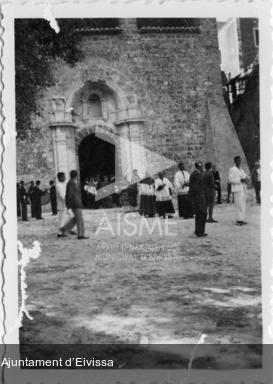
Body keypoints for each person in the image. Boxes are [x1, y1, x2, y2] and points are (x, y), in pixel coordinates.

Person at [60, 170, 88, 240]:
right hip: (75, 203)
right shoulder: (72, 183)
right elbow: (70, 194)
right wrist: (68, 203)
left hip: (74, 202)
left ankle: (64, 228)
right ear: (76, 175)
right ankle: (80, 235)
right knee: (79, 219)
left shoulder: (71, 182)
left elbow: (69, 194)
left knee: (76, 219)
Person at [228, 156, 249, 226]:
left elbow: (245, 176)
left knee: (243, 204)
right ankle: (239, 220)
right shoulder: (232, 169)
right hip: (237, 189)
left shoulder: (241, 169)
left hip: (243, 189)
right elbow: (230, 180)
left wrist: (247, 179)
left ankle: (242, 219)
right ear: (235, 161)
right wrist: (240, 180)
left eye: (240, 160)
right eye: (238, 160)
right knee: (238, 205)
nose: (239, 162)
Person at [189, 161, 207, 237]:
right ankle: (200, 232)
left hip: (199, 196)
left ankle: (199, 231)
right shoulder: (197, 174)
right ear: (199, 166)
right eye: (201, 166)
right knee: (202, 213)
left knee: (200, 214)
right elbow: (195, 187)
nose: (202, 167)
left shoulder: (196, 173)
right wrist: (196, 197)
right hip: (199, 197)